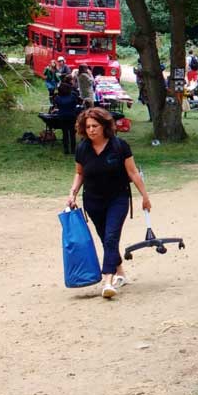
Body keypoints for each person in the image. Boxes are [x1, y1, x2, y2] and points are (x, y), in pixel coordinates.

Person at [65, 107, 151, 299]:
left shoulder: (119, 146)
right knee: (106, 239)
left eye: (95, 126)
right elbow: (79, 173)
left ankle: (108, 281)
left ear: (104, 126)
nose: (91, 130)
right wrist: (72, 193)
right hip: (93, 201)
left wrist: (145, 197)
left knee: (111, 237)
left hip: (118, 199)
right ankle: (121, 274)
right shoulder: (82, 148)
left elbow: (132, 172)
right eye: (88, 126)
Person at [51, 82, 82, 155]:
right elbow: (77, 103)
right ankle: (73, 150)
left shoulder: (58, 98)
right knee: (72, 133)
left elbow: (56, 105)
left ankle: (66, 149)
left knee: (65, 133)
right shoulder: (73, 96)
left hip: (62, 116)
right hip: (72, 116)